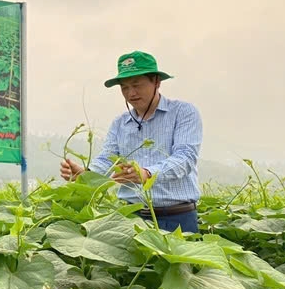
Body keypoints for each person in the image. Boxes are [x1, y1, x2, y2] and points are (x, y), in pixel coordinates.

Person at [60, 51, 202, 233]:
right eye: (124, 87)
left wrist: (147, 174)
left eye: (137, 85)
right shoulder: (120, 123)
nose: (131, 93)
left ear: (156, 82)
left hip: (177, 218)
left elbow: (185, 158)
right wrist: (85, 174)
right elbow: (107, 159)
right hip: (131, 219)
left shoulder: (183, 112)